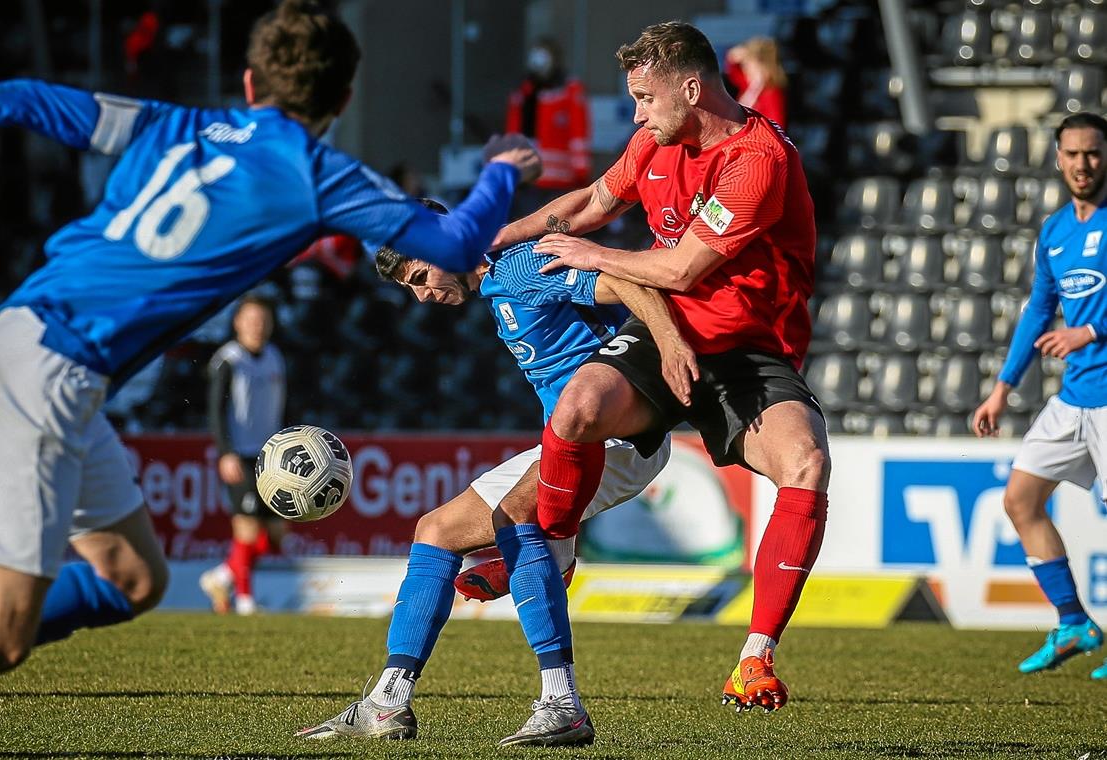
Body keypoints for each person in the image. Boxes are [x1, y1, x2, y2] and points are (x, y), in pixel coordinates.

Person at [0, 0, 541, 686]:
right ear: (344, 99)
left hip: (32, 341)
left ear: (248, 84)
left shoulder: (175, 123)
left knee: (133, 580)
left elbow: (30, 99)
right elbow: (454, 242)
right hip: (51, 370)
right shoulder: (316, 172)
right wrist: (502, 168)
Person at [489, 20, 827, 717]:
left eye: (646, 97)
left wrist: (596, 256)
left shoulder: (758, 157)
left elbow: (680, 265)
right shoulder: (655, 141)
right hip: (665, 328)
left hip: (749, 354)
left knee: (807, 466)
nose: (637, 114)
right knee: (577, 405)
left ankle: (755, 659)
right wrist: (491, 240)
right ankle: (557, 545)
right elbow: (586, 205)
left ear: (692, 89)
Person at [296, 201, 694, 745]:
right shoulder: (497, 282)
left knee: (514, 518)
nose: (422, 296)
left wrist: (672, 347)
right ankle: (387, 701)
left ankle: (562, 701)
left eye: (420, 277)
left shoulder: (520, 266)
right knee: (436, 530)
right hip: (571, 442)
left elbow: (623, 282)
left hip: (619, 439)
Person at [972, 111, 1107, 681]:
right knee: (1021, 501)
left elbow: (1074, 321)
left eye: (1094, 153)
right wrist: (1002, 389)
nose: (1083, 164)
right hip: (1074, 397)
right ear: (1058, 159)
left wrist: (1092, 331)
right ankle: (1073, 620)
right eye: (1073, 154)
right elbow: (1036, 314)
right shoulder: (1055, 232)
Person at [199, 294, 287, 616]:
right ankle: (245, 600)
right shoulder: (228, 360)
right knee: (248, 529)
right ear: (237, 323)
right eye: (250, 320)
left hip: (272, 458)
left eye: (262, 320)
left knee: (275, 534)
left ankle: (221, 575)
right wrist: (225, 453)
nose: (257, 326)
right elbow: (215, 411)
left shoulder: (275, 357)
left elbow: (283, 406)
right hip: (241, 455)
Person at [505, 37, 592, 213]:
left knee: (557, 228)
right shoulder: (524, 91)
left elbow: (578, 132)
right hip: (529, 179)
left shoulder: (569, 89)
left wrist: (581, 170)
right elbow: (514, 133)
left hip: (561, 180)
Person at [723, 37, 788, 128]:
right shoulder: (751, 86)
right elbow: (733, 72)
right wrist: (733, 56)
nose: (745, 68)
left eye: (748, 64)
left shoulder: (771, 93)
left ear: (762, 65)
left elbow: (777, 125)